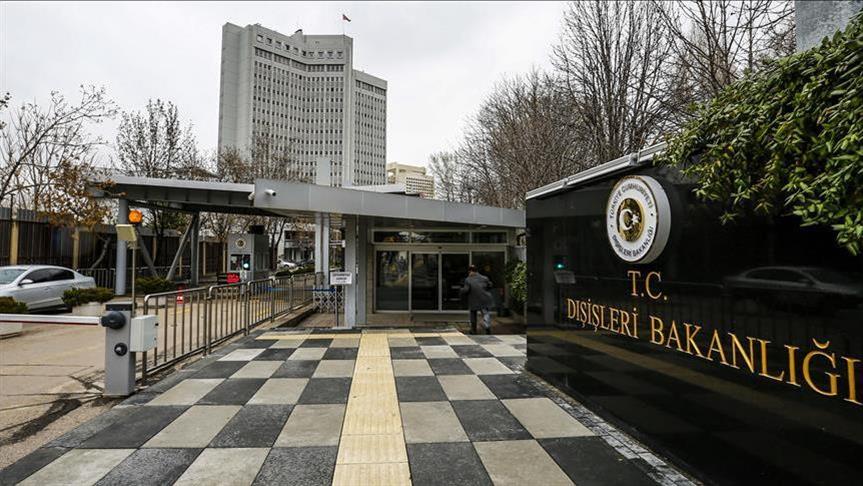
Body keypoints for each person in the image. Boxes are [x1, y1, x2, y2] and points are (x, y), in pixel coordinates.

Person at [460, 264, 494, 334]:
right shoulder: (484, 278)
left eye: (469, 272)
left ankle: (473, 330)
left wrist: (461, 290)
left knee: (473, 314)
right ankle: (487, 326)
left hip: (474, 299)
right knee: (485, 313)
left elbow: (466, 290)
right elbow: (490, 285)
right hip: (485, 298)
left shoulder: (468, 279)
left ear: (470, 271)